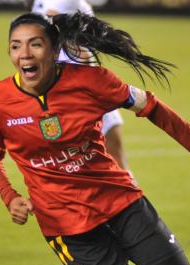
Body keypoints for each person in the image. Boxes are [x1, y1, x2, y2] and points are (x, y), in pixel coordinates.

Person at [0, 12, 190, 265]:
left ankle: (125, 243)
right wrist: (10, 196)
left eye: (35, 45)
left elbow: (150, 105)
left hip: (118, 200)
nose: (24, 54)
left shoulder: (91, 80)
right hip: (65, 224)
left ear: (54, 50)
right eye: (16, 46)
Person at [26, 0, 133, 180]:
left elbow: (86, 41)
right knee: (77, 163)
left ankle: (132, 197)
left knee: (114, 155)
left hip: (89, 90)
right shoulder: (39, 5)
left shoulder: (67, 2)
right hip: (63, 94)